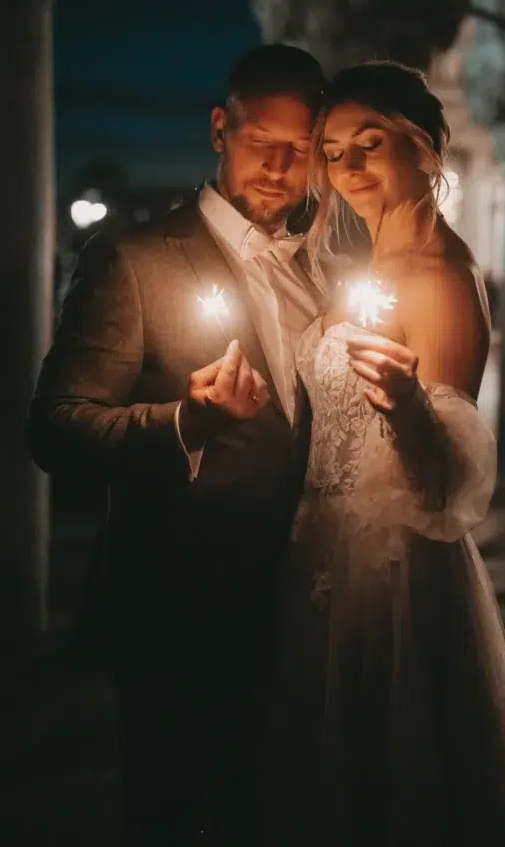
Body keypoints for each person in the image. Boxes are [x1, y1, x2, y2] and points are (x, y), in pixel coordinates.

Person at [255, 62, 505, 845]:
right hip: (312, 547)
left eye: (371, 143)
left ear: (428, 149)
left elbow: (443, 489)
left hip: (391, 566)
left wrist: (405, 407)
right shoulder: (359, 271)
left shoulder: (439, 279)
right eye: (331, 151)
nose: (348, 167)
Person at [27, 44, 327, 845]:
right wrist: (184, 423)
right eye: (261, 136)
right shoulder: (130, 260)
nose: (277, 163)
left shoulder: (324, 275)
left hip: (310, 605)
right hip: (178, 601)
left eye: (299, 149)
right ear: (219, 128)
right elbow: (56, 426)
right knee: (174, 812)